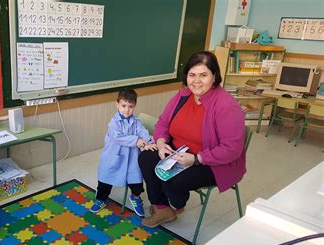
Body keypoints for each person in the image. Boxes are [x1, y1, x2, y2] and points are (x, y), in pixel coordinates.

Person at [138, 51, 246, 227]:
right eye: (192, 75)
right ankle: (161, 207)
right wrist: (161, 143)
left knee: (173, 179)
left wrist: (196, 158)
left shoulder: (227, 107)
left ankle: (176, 205)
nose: (196, 81)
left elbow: (231, 149)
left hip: (211, 161)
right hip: (179, 151)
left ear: (214, 76)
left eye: (203, 75)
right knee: (146, 158)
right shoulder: (183, 95)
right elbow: (163, 123)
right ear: (186, 76)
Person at [90, 88, 157, 217]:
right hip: (113, 157)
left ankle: (135, 197)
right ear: (117, 104)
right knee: (106, 179)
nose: (127, 110)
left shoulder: (137, 122)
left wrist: (148, 142)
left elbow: (143, 131)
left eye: (130, 106)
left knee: (136, 180)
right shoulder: (113, 123)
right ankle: (101, 199)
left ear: (135, 106)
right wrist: (137, 141)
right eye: (123, 106)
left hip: (132, 157)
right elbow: (118, 138)